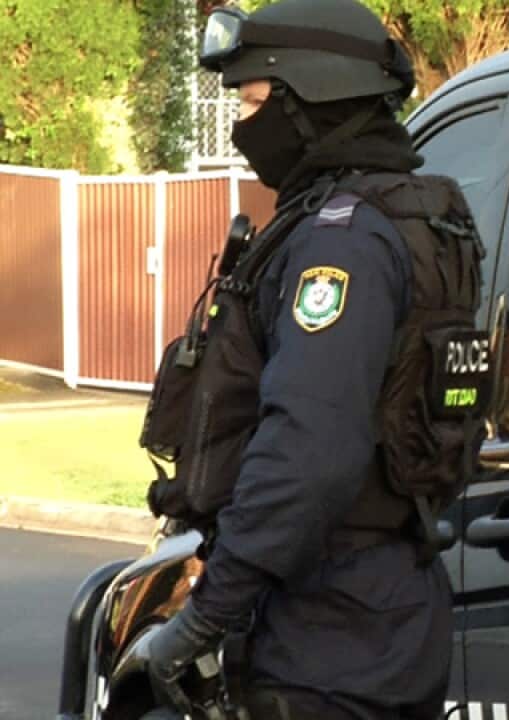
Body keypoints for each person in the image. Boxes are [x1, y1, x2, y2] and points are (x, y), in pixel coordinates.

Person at [140, 1, 487, 718]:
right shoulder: (410, 219)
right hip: (380, 620)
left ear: (308, 100)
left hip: (324, 636)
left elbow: (309, 448)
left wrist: (206, 616)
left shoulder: (342, 242)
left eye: (253, 99)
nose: (241, 123)